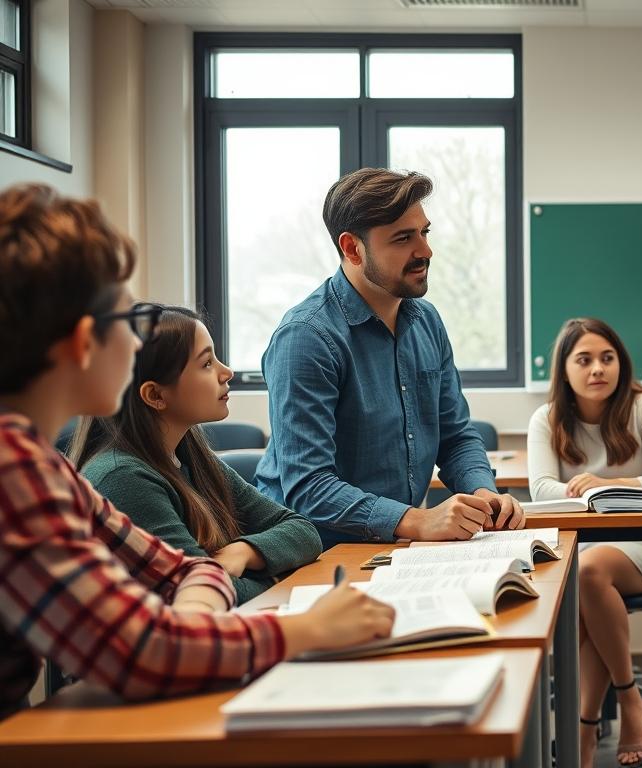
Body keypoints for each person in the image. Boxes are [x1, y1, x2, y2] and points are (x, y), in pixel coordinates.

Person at [0, 182, 394, 720]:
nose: (139, 344)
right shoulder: (14, 473)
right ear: (80, 342)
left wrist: (199, 601)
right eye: (126, 321)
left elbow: (187, 572)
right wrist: (309, 629)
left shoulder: (39, 465)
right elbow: (142, 654)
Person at [255, 167, 523, 547]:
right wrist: (417, 521)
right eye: (403, 238)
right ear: (352, 248)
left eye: (424, 233)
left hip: (395, 548)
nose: (425, 251)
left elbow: (456, 437)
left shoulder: (426, 320)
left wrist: (483, 494)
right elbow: (309, 486)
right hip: (313, 554)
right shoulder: (306, 338)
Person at [73, 306, 323, 604]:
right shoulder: (123, 479)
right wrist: (277, 576)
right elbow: (212, 594)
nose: (226, 372)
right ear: (155, 395)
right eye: (206, 363)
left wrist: (245, 552)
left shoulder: (189, 455)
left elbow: (305, 532)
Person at [528, 318, 642, 768]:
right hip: (578, 550)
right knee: (586, 581)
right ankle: (596, 717)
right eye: (584, 360)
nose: (598, 368)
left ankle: (616, 705)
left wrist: (608, 484)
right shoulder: (547, 418)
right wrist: (585, 491)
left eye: (607, 358)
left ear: (621, 362)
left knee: (589, 572)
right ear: (564, 371)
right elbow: (540, 489)